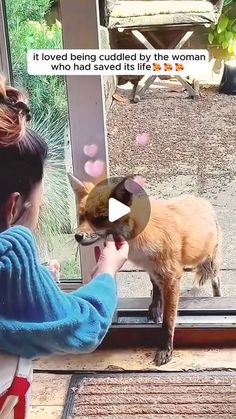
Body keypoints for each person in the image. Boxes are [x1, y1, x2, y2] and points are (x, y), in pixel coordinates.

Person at [0, 76, 129, 418]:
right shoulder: (9, 261)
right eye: (37, 206)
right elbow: (83, 326)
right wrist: (106, 272)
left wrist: (38, 281)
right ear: (13, 207)